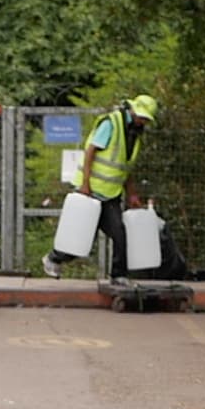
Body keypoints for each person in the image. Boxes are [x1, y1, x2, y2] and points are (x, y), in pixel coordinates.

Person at [47, 94, 159, 279]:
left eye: (146, 119)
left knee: (120, 234)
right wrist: (85, 184)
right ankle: (54, 258)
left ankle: (118, 276)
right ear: (132, 110)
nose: (143, 122)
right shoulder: (111, 123)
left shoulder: (135, 134)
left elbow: (125, 166)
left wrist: (132, 194)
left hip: (110, 193)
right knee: (83, 237)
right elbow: (90, 151)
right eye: (142, 117)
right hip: (91, 191)